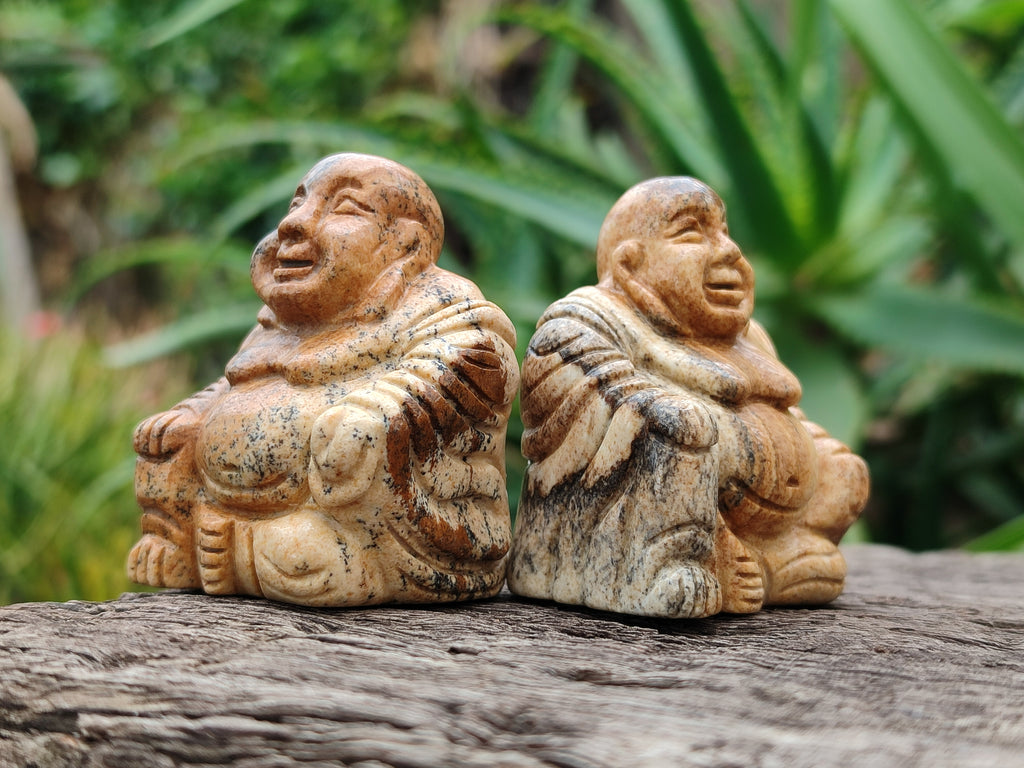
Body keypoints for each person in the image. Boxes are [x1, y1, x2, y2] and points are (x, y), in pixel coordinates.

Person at [129, 153, 519, 606]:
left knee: (308, 554)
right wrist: (191, 413)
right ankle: (182, 539)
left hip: (364, 521)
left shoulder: (445, 309)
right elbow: (233, 384)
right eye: (298, 204)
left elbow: (463, 367)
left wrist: (370, 415)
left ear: (405, 246)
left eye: (346, 208)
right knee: (170, 438)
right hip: (241, 495)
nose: (294, 224)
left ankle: (248, 552)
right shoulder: (279, 324)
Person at [507, 176, 869, 618]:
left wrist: (811, 459)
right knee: (676, 425)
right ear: (630, 265)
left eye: (725, 231)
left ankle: (771, 556)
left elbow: (787, 412)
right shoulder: (586, 319)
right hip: (633, 530)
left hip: (762, 521)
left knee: (843, 466)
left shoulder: (748, 337)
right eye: (693, 233)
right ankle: (669, 562)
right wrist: (686, 424)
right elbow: (595, 400)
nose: (729, 251)